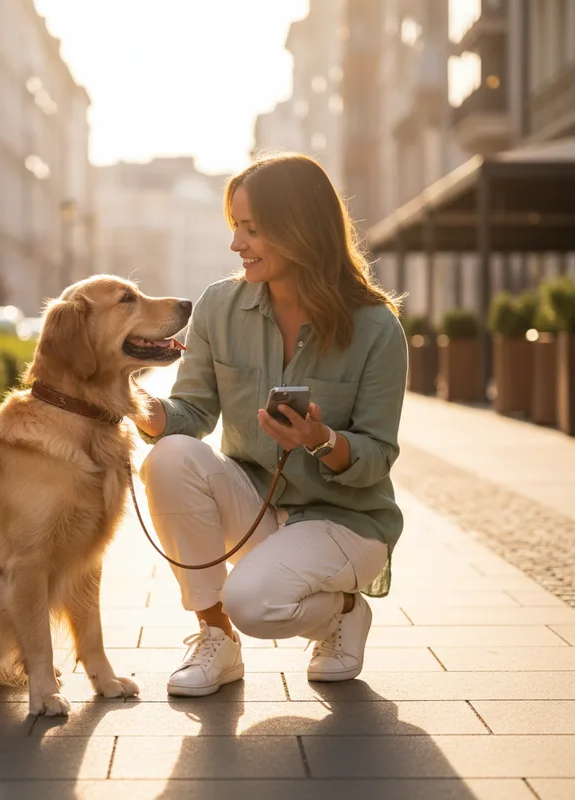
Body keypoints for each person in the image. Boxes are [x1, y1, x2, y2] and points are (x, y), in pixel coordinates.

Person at [131, 152, 408, 697]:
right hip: (256, 507)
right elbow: (192, 413)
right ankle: (215, 638)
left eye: (252, 229)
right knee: (169, 457)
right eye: (235, 226)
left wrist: (320, 441)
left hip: (346, 521)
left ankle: (344, 611)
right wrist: (143, 407)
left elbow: (377, 455)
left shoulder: (376, 328)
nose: (236, 244)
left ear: (300, 229)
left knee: (254, 603)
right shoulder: (219, 306)